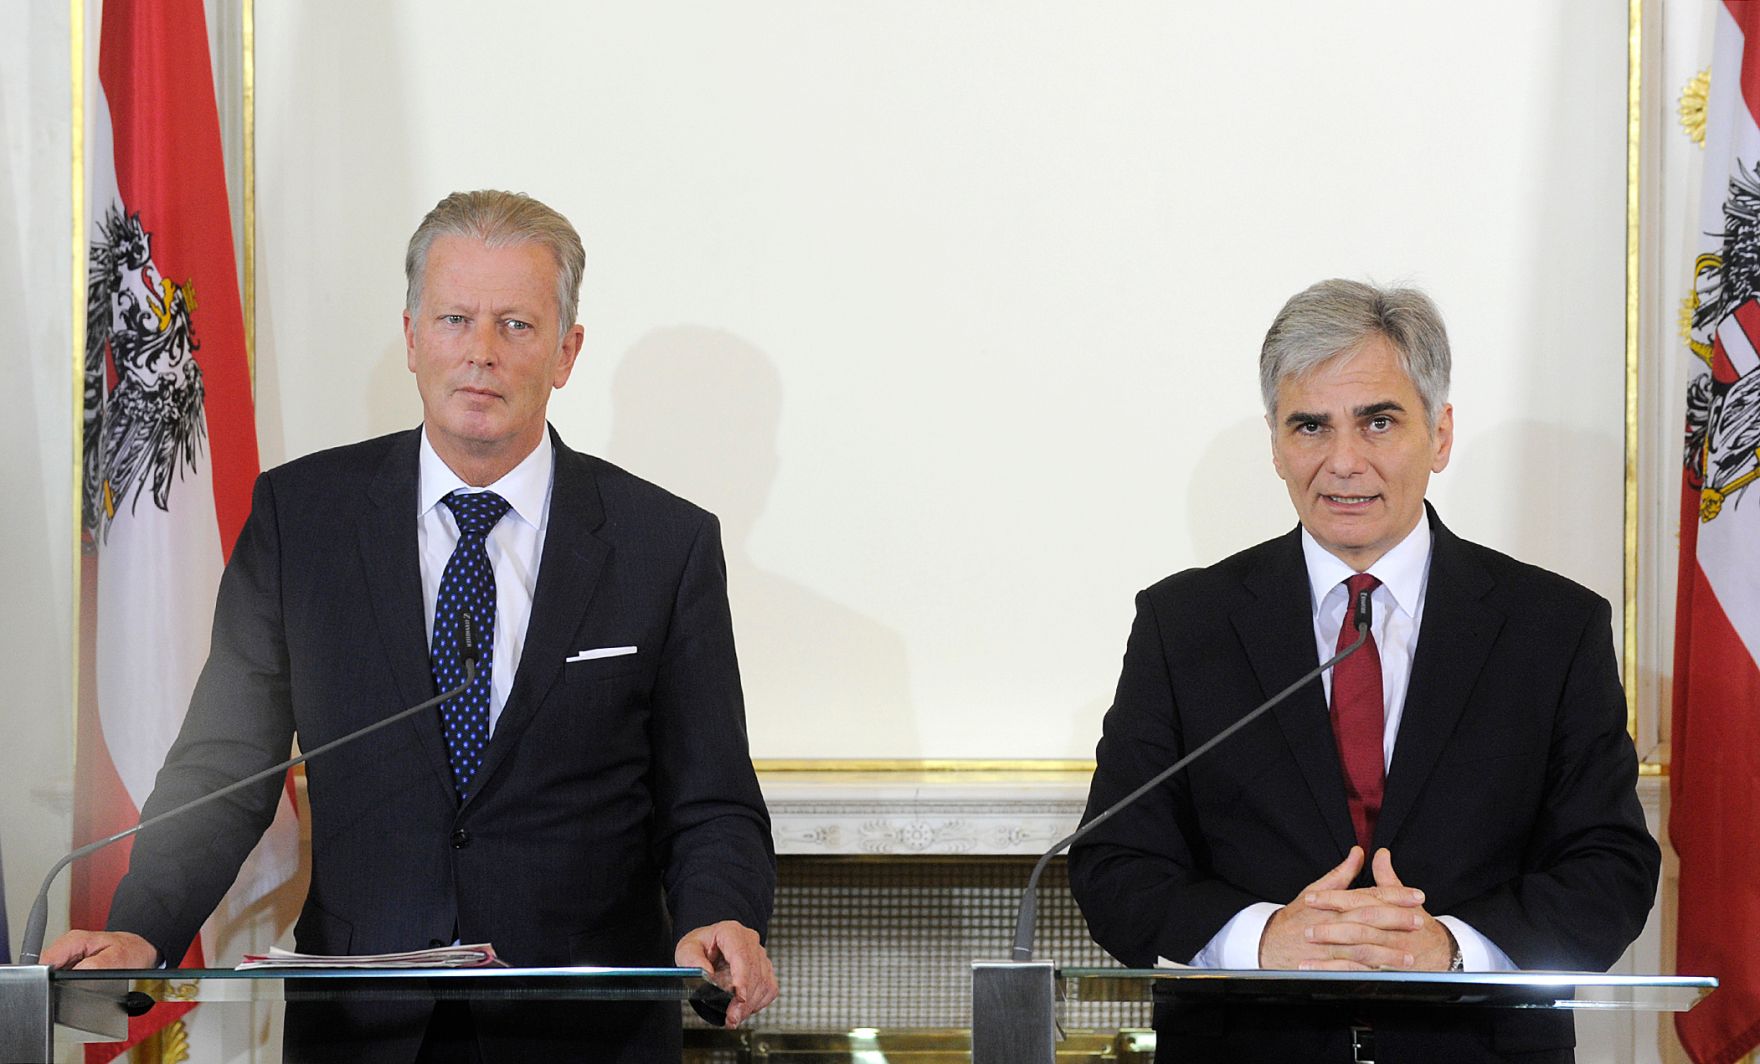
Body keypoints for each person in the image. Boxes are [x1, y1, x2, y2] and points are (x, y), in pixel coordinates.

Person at [43, 190, 779, 1063]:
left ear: (566, 352)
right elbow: (225, 768)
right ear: (410, 337)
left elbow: (711, 797)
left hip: (585, 1029)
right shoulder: (302, 521)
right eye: (455, 318)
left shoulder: (664, 544)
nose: (480, 353)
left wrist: (718, 915)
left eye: (516, 325)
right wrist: (141, 931)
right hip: (366, 1028)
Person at [1067, 279, 1660, 1064]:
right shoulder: (1186, 625)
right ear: (1276, 446)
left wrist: (1453, 950)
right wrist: (1261, 938)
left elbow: (1609, 866)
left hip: (1475, 1048)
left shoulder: (1552, 628)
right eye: (1310, 426)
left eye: (1378, 422)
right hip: (1249, 1048)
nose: (1343, 462)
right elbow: (1116, 860)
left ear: (1440, 435)